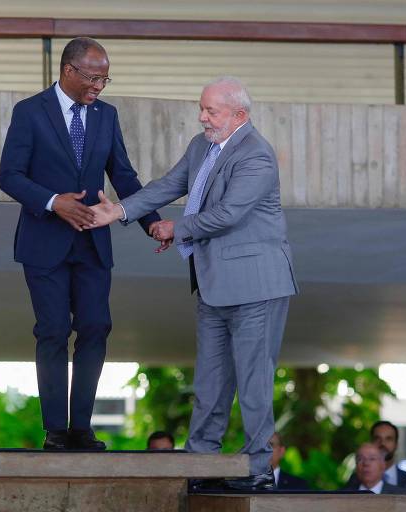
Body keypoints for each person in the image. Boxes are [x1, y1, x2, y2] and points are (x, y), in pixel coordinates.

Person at [91, 76, 298, 488]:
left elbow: (228, 214)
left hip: (257, 287)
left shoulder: (256, 154)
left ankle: (258, 469)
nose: (202, 117)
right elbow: (170, 184)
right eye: (201, 108)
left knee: (254, 380)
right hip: (212, 282)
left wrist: (175, 229)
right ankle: (202, 464)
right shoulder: (201, 145)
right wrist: (121, 211)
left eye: (211, 111)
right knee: (209, 380)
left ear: (239, 115)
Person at [0, 37, 161, 451]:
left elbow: (123, 175)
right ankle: (55, 430)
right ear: (68, 70)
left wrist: (152, 223)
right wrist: (54, 203)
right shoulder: (29, 112)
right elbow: (10, 175)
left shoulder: (106, 116)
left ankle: (82, 428)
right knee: (52, 331)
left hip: (92, 243)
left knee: (95, 328)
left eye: (106, 78)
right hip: (43, 243)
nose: (100, 87)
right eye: (93, 77)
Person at [345, 420, 406, 492]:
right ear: (371, 442)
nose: (382, 444)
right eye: (377, 438)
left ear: (396, 445)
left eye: (388, 439)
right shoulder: (354, 480)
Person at [342, 444, 406, 494]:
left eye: (372, 459)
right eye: (360, 459)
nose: (366, 463)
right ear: (356, 465)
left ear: (383, 465)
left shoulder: (402, 496)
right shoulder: (342, 496)